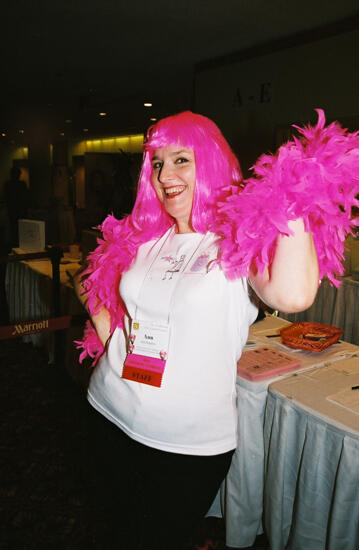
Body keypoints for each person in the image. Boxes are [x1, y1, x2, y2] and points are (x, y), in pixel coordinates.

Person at [74, 111, 320, 549]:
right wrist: (111, 334)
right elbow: (88, 281)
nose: (165, 173)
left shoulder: (239, 241)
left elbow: (295, 294)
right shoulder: (146, 238)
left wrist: (292, 196)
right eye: (156, 163)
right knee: (117, 530)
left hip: (185, 444)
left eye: (180, 159)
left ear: (208, 161)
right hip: (108, 411)